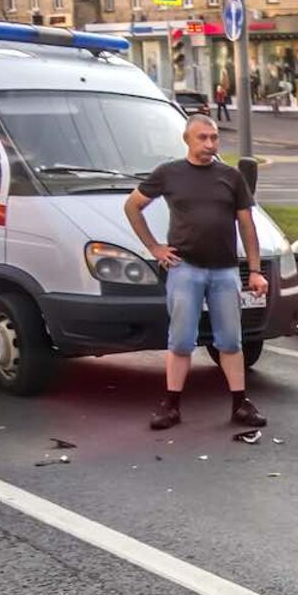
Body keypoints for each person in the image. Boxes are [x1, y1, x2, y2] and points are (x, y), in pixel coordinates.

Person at [123, 115, 268, 431]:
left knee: (230, 340)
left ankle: (240, 404)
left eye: (214, 137)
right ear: (187, 139)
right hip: (185, 269)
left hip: (225, 271)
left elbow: (247, 224)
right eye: (202, 137)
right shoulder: (169, 173)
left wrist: (255, 271)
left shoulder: (231, 177)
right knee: (181, 341)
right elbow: (133, 206)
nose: (210, 144)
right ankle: (171, 405)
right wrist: (155, 248)